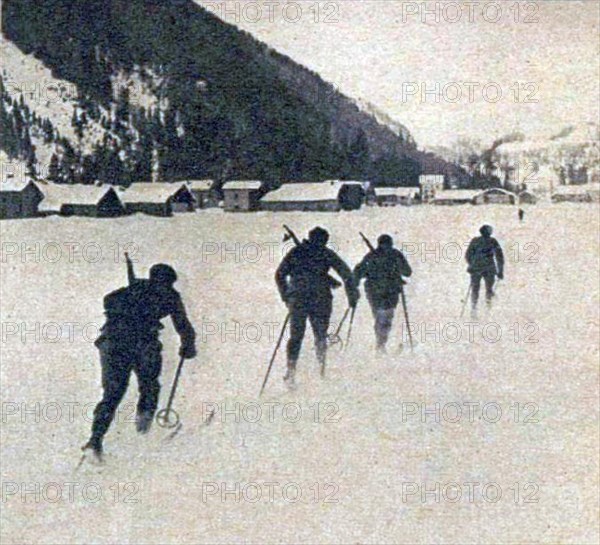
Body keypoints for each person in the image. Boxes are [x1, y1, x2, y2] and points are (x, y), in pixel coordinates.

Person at [83, 263, 196, 461]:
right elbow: (182, 324)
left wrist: (188, 343)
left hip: (119, 343)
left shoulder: (148, 292)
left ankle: (105, 437)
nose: (164, 287)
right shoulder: (157, 293)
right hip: (130, 343)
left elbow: (183, 325)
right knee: (139, 388)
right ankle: (132, 433)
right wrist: (188, 345)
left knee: (121, 391)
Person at [275, 227, 359, 387]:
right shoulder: (326, 253)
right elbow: (346, 273)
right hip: (320, 300)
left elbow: (279, 274)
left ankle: (291, 371)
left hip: (298, 299)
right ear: (324, 240)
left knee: (296, 336)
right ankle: (321, 370)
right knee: (320, 335)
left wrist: (286, 295)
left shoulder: (296, 252)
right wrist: (352, 296)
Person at [354, 234, 412, 353]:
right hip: (385, 292)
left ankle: (380, 343)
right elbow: (407, 272)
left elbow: (359, 272)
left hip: (378, 292)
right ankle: (380, 344)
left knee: (381, 317)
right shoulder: (394, 255)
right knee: (384, 318)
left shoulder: (373, 256)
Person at [465, 225, 504, 317]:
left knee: (475, 289)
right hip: (489, 269)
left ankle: (474, 308)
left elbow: (468, 255)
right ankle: (488, 308)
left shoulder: (475, 241)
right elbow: (499, 257)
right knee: (489, 289)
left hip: (476, 269)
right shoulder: (492, 241)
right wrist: (500, 271)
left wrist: (472, 264)